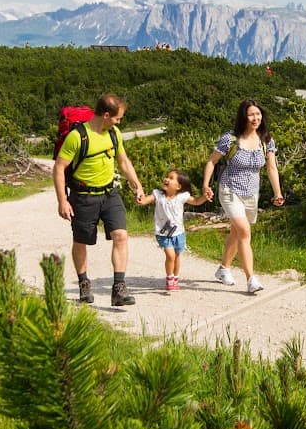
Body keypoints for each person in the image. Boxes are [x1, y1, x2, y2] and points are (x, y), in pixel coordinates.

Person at [54, 94, 145, 306]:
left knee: (121, 235)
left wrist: (137, 185)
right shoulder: (78, 137)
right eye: (117, 118)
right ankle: (84, 283)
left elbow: (123, 161)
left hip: (109, 194)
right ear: (106, 115)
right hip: (83, 197)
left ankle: (119, 289)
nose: (119, 122)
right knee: (81, 241)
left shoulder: (114, 134)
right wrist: (62, 201)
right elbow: (59, 168)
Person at [201, 98, 284, 296]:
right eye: (251, 115)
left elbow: (271, 167)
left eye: (258, 114)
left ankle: (223, 269)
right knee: (245, 232)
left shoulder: (266, 140)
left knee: (237, 232)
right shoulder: (230, 139)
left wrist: (277, 192)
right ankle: (251, 279)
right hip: (229, 189)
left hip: (251, 193)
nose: (255, 118)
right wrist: (205, 185)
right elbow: (211, 162)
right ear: (243, 117)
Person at [136, 169, 207, 291]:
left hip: (179, 233)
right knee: (170, 255)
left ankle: (175, 277)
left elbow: (196, 201)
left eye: (171, 178)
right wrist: (140, 200)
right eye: (167, 177)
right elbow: (146, 200)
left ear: (179, 186)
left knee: (177, 256)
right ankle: (169, 277)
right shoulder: (158, 194)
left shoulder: (182, 197)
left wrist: (205, 197)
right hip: (163, 233)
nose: (166, 179)